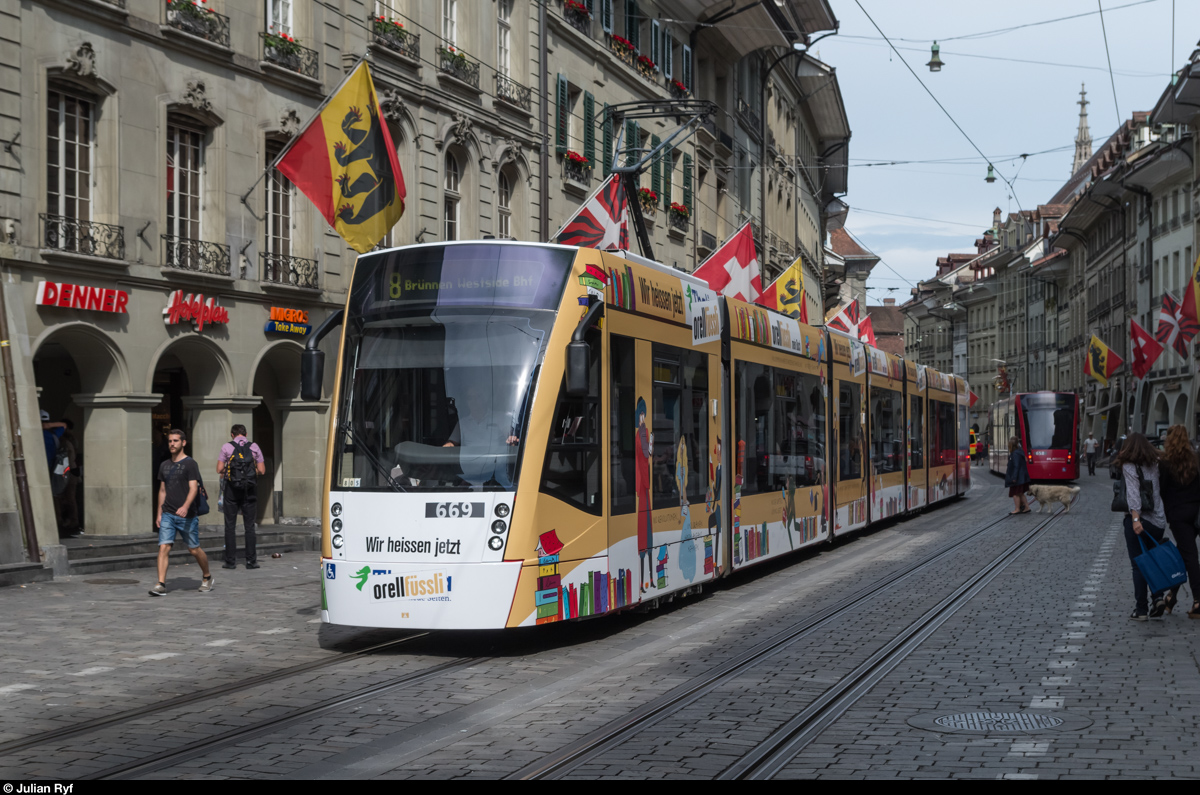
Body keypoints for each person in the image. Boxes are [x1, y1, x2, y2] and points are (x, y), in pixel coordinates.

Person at [151, 428, 213, 596]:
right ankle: (161, 584)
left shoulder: (190, 464)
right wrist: (159, 513)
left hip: (188, 516)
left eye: (176, 441)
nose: (172, 444)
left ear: (183, 443)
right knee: (164, 547)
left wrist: (185, 506)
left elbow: (194, 488)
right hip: (168, 513)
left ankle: (207, 576)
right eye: (170, 441)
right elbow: (162, 490)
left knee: (194, 549)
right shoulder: (164, 465)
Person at [1114, 433, 1169, 620]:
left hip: (1141, 522)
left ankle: (1141, 610)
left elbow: (1133, 494)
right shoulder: (1155, 463)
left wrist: (1135, 519)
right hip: (1158, 521)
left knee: (1138, 565)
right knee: (1153, 560)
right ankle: (1158, 597)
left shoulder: (1129, 466)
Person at [1158, 425, 1200, 618]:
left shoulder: (1166, 463)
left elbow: (1162, 490)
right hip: (1195, 513)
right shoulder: (1195, 460)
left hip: (1177, 515)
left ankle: (1198, 600)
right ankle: (1171, 596)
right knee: (1185, 553)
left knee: (1190, 556)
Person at [217, 424, 266, 570]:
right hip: (249, 490)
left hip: (231, 490)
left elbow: (219, 469)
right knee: (249, 526)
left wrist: (231, 469)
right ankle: (251, 561)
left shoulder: (226, 447)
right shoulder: (254, 447)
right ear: (246, 434)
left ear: (232, 435)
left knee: (230, 526)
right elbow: (262, 470)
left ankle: (230, 562)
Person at [1004, 436, 1031, 515]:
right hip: (1022, 476)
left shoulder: (1015, 454)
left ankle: (1017, 509)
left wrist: (1014, 477)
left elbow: (1016, 466)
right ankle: (1027, 507)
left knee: (1015, 494)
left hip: (1018, 477)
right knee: (1020, 493)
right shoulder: (1020, 452)